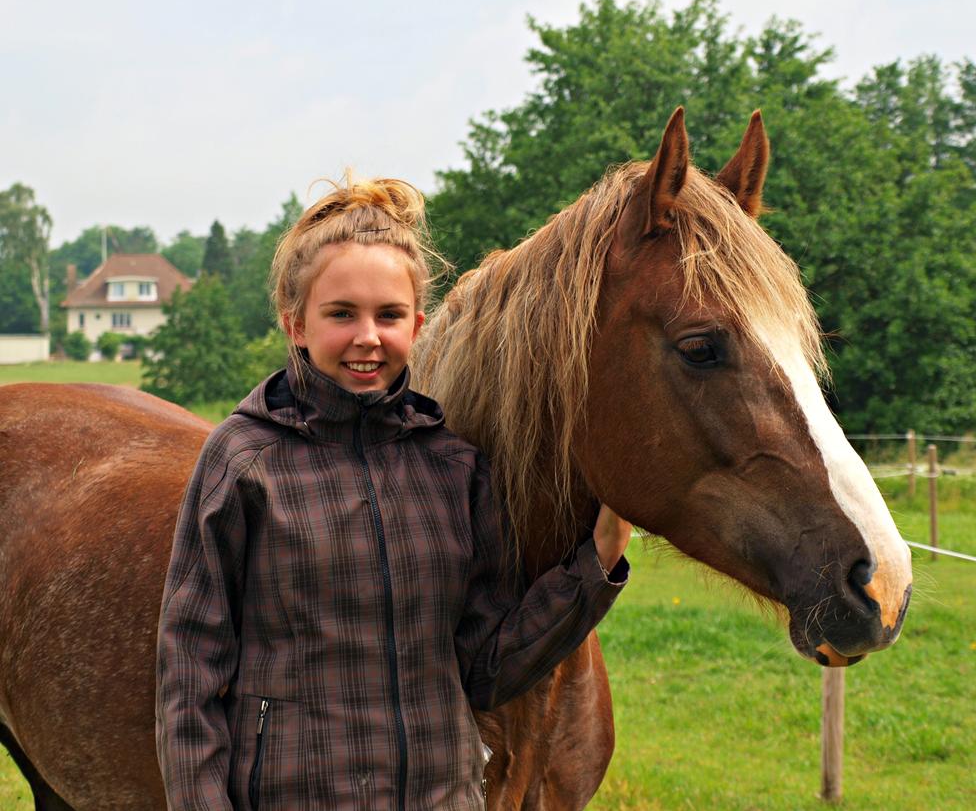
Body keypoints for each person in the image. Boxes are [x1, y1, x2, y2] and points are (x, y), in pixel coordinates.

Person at [155, 175, 632, 810]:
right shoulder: (244, 461)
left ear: (418, 324)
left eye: (389, 315)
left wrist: (595, 566)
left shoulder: (454, 468)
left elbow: (487, 667)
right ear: (295, 324)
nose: (368, 337)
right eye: (341, 314)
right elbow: (189, 676)